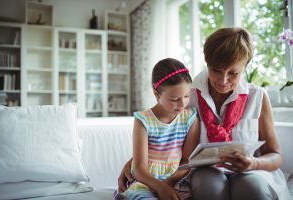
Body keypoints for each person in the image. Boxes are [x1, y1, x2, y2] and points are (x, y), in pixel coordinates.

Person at [118, 28, 291, 200]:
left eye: (233, 73)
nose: (223, 81)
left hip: (250, 171)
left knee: (251, 189)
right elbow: (164, 134)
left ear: (246, 67)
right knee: (210, 189)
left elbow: (275, 156)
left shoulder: (258, 97)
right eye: (216, 70)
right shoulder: (187, 95)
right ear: (207, 62)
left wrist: (254, 163)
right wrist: (134, 165)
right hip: (206, 170)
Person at [114, 58, 200, 200]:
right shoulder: (143, 120)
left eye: (186, 96)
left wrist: (169, 183)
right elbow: (140, 169)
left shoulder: (190, 119)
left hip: (177, 179)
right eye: (174, 99)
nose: (182, 103)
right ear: (156, 94)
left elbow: (187, 161)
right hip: (146, 181)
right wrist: (160, 187)